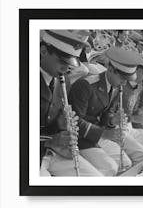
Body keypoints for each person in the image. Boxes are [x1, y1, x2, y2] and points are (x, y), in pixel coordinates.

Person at [40, 30, 119, 176]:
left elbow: (51, 119)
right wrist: (49, 140)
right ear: (43, 51)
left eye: (69, 63)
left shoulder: (63, 80)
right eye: (62, 61)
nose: (67, 68)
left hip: (54, 150)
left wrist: (61, 124)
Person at [69, 47, 143, 165]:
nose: (124, 82)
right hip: (84, 138)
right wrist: (103, 133)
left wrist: (112, 120)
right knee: (118, 165)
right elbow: (75, 121)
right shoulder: (86, 85)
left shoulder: (116, 86)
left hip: (102, 132)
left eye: (127, 79)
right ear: (111, 69)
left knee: (138, 157)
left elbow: (107, 113)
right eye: (123, 78)